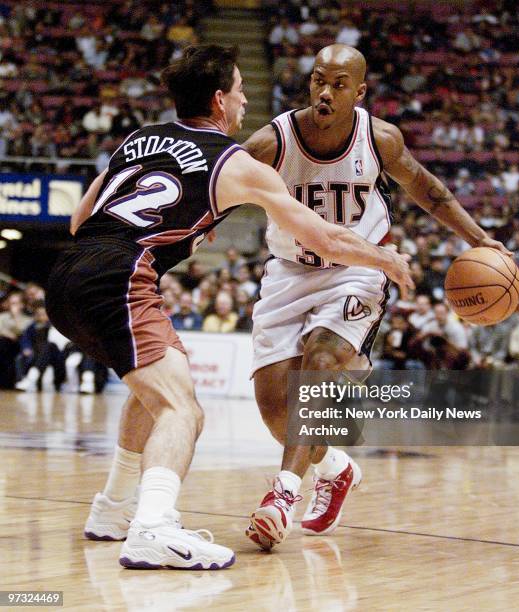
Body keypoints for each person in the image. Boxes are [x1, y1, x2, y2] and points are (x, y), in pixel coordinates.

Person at [45, 44, 413, 571]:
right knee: (182, 411)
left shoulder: (137, 140)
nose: (245, 102)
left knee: (153, 391)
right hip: (119, 277)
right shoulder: (231, 160)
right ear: (220, 101)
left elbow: (82, 220)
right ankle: (152, 527)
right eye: (240, 92)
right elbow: (326, 238)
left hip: (66, 275)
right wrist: (384, 257)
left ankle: (112, 510)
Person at [242, 43, 511, 550]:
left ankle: (282, 496)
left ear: (359, 92)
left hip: (358, 267)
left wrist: (478, 238)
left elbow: (428, 189)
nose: (325, 92)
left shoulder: (379, 139)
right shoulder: (273, 140)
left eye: (338, 85)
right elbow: (221, 179)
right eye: (319, 80)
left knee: (320, 362)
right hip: (287, 270)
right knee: (278, 411)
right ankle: (338, 469)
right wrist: (203, 221)